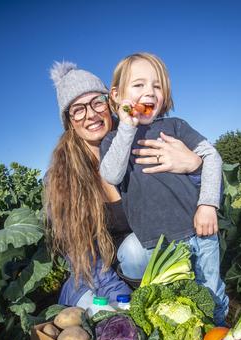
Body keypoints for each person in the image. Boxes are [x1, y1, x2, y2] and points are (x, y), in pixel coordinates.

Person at [45, 61, 203, 309]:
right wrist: (124, 301)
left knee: (135, 251)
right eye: (78, 109)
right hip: (97, 276)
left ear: (111, 103)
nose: (91, 115)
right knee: (102, 317)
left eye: (97, 102)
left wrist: (195, 167)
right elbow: (84, 258)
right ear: (69, 121)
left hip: (144, 263)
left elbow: (189, 200)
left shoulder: (141, 142)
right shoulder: (61, 178)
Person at [100, 52, 229, 325]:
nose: (149, 92)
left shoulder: (176, 126)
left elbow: (211, 157)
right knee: (170, 301)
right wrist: (126, 127)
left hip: (198, 230)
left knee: (210, 291)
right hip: (155, 245)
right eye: (138, 85)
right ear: (116, 95)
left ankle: (218, 339)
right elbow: (111, 173)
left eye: (156, 86)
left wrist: (207, 204)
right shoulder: (113, 139)